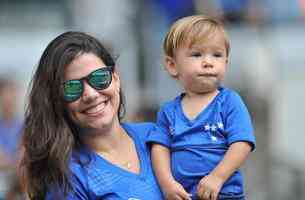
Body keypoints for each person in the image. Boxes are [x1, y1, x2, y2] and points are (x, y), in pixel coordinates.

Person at [20, 31, 163, 200]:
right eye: (72, 87)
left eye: (99, 77)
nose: (91, 94)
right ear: (57, 100)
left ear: (116, 78)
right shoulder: (68, 179)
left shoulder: (154, 136)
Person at [147, 15, 256, 200]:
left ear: (226, 63)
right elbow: (160, 149)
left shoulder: (230, 101)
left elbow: (242, 143)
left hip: (223, 193)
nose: (208, 62)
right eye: (197, 54)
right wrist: (167, 185)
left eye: (217, 55)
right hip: (183, 195)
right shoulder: (168, 111)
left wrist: (217, 177)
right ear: (173, 65)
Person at [0, 77, 23, 200]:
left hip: (17, 186)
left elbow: (24, 161)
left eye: (12, 95)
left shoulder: (25, 126)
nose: (8, 100)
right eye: (4, 96)